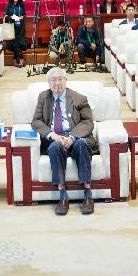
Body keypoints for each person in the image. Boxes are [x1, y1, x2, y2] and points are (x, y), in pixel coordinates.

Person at [31, 67, 98, 215]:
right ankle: (62, 195)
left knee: (81, 144)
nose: (57, 83)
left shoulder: (79, 98)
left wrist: (72, 137)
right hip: (56, 140)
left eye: (60, 79)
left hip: (76, 139)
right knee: (55, 147)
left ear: (66, 81)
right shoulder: (43, 97)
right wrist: (52, 135)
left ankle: (88, 194)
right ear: (48, 83)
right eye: (53, 80)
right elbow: (36, 121)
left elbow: (88, 122)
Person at [4, 0, 27, 67]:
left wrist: (22, 17)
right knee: (15, 41)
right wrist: (11, 17)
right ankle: (20, 58)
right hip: (12, 27)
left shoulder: (22, 5)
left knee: (18, 42)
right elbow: (5, 16)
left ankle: (15, 60)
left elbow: (25, 15)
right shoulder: (8, 5)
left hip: (20, 27)